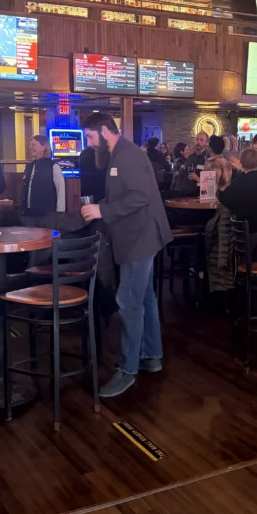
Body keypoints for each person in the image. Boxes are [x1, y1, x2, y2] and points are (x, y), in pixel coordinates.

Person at [80, 114, 172, 398]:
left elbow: (139, 196)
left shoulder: (127, 155)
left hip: (139, 238)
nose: (89, 142)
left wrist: (102, 211)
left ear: (105, 131)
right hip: (143, 235)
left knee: (128, 302)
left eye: (91, 136)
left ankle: (127, 370)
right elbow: (127, 195)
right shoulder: (121, 153)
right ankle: (151, 356)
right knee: (144, 298)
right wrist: (103, 205)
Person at [219, 148, 257, 259]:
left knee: (244, 261)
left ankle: (243, 274)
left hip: (246, 233)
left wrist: (222, 190)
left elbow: (224, 199)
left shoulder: (238, 183)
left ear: (242, 163)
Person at [21, 134, 65, 228]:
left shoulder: (53, 166)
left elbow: (61, 191)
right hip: (29, 216)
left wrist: (59, 215)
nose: (30, 148)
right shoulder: (29, 166)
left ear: (44, 147)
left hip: (47, 217)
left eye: (34, 145)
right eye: (30, 145)